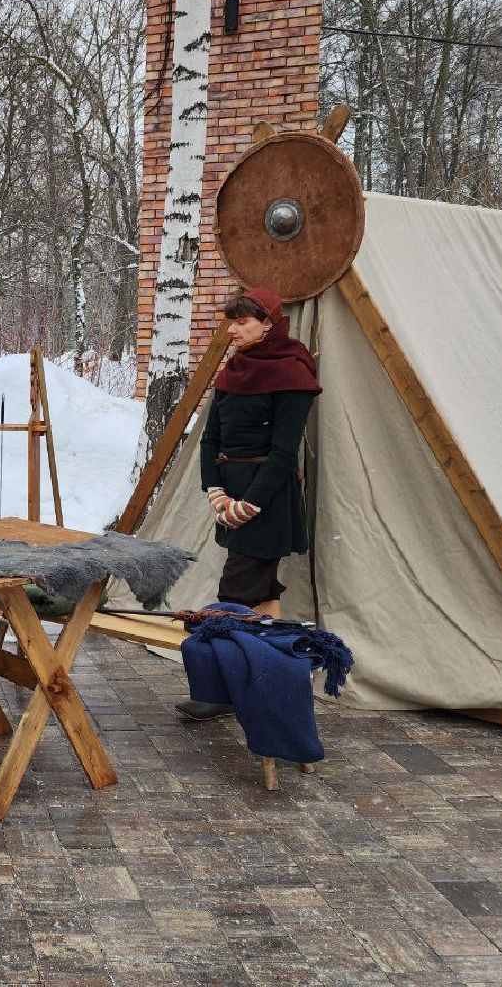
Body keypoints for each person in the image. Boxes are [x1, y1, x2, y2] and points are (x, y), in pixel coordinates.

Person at [179, 286, 322, 722]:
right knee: (260, 594)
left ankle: (220, 691)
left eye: (242, 321)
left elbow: (283, 452)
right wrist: (216, 491)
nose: (233, 329)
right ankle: (269, 683)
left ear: (268, 323)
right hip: (230, 496)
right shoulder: (234, 369)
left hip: (268, 499)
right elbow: (211, 439)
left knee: (233, 596)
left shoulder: (293, 371)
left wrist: (251, 504)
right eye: (231, 320)